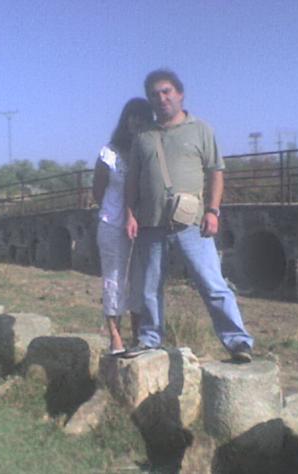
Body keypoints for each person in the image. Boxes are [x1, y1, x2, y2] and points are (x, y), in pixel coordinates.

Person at [124, 69, 254, 362]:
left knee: (212, 284)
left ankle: (238, 342)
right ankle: (149, 339)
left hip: (191, 223)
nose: (162, 98)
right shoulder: (143, 137)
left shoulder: (201, 130)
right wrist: (130, 214)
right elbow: (132, 181)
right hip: (150, 223)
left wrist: (213, 211)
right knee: (149, 288)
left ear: (180, 94)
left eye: (167, 91)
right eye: (155, 94)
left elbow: (216, 172)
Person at [93, 98, 154, 355]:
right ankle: (115, 336)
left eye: (143, 117)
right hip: (112, 223)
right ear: (125, 119)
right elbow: (98, 191)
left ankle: (138, 334)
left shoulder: (150, 151)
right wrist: (117, 212)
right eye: (133, 115)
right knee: (114, 278)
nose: (137, 121)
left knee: (141, 280)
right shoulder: (109, 153)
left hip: (146, 224)